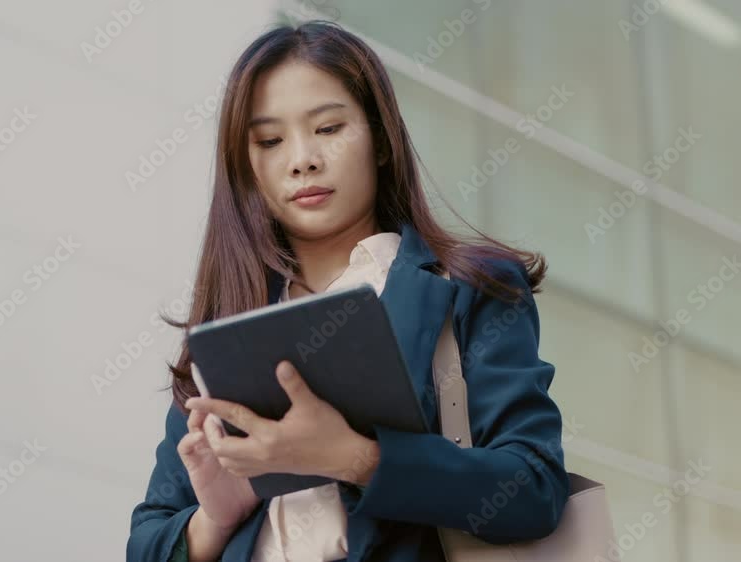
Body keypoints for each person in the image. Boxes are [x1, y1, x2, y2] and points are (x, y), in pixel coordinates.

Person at [126, 20, 570, 562]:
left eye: (330, 128)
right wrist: (216, 518)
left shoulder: (467, 288)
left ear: (381, 140)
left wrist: (358, 459)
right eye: (269, 141)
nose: (302, 159)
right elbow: (146, 541)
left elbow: (533, 489)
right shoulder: (229, 330)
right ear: (247, 166)